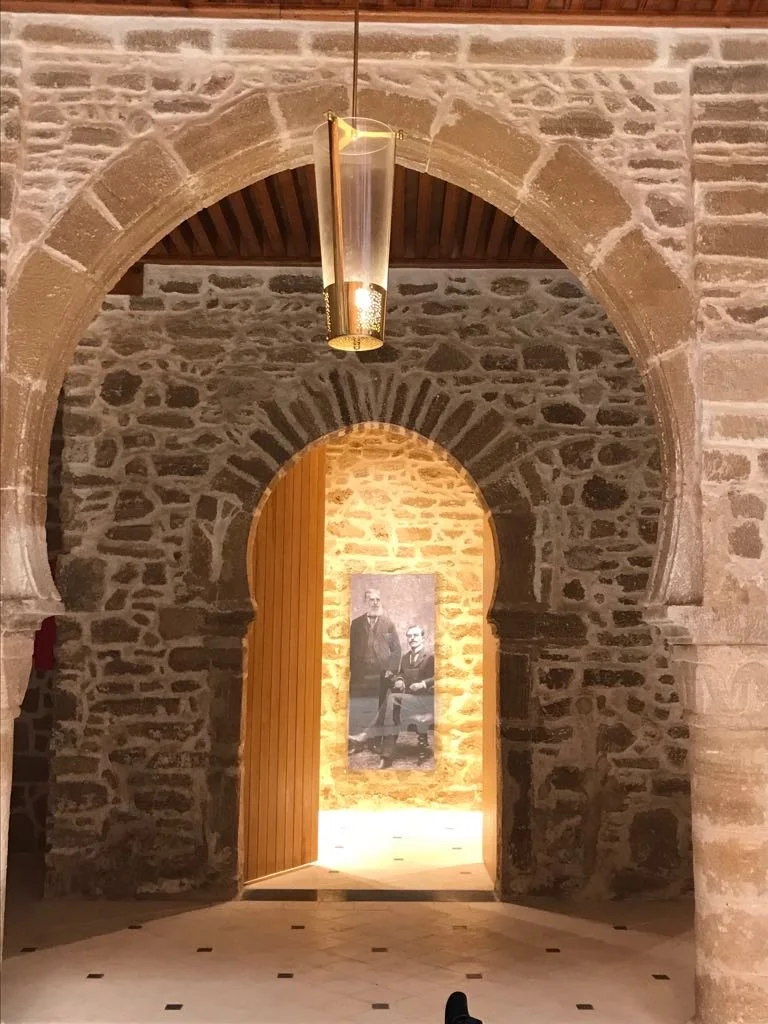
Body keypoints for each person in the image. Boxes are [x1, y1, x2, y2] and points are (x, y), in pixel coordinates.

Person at [347, 587, 401, 752]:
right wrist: (350, 669)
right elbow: (349, 648)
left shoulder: (388, 625)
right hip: (360, 673)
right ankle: (356, 743)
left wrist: (391, 670)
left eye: (378, 599)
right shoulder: (356, 624)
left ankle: (374, 742)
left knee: (379, 708)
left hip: (381, 674)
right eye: (371, 600)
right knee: (359, 707)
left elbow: (396, 649)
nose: (375, 603)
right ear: (365, 602)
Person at [379, 624, 435, 767]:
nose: (412, 638)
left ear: (423, 638)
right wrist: (399, 680)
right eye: (409, 636)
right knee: (392, 698)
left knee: (392, 699)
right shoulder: (405, 658)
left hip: (425, 700)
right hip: (408, 700)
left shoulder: (431, 657)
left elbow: (440, 676)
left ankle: (385, 751)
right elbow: (401, 675)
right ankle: (387, 753)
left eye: (416, 635)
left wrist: (423, 684)